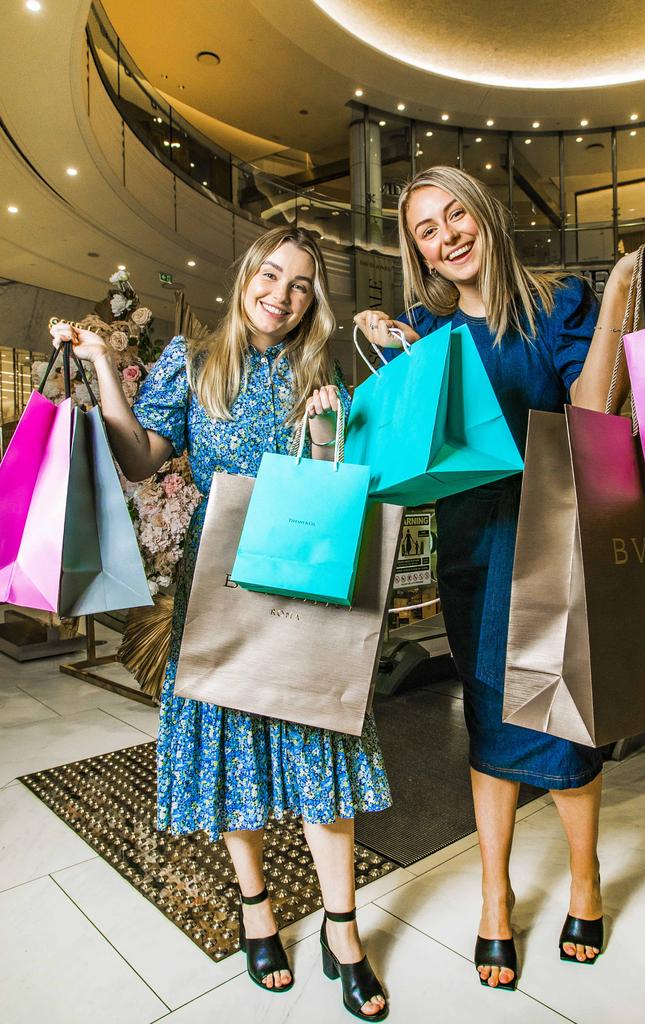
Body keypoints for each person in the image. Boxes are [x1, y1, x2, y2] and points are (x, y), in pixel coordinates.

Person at [354, 165, 645, 991]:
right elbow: (405, 453)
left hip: (560, 536)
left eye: (455, 215)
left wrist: (621, 285)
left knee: (568, 719)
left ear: (484, 214)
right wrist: (383, 355)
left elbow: (594, 405)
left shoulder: (558, 302)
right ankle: (495, 899)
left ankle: (585, 880)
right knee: (490, 723)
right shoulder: (425, 332)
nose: (446, 236)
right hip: (474, 546)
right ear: (419, 253)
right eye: (426, 230)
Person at [51, 226, 389, 1021]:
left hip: (306, 574)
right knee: (227, 745)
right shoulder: (194, 362)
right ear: (246, 278)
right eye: (272, 275)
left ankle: (344, 932)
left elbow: (339, 486)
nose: (283, 293)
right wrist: (104, 367)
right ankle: (256, 909)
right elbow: (140, 460)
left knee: (319, 739)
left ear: (314, 303)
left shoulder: (320, 370)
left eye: (302, 284)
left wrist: (328, 433)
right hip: (219, 570)